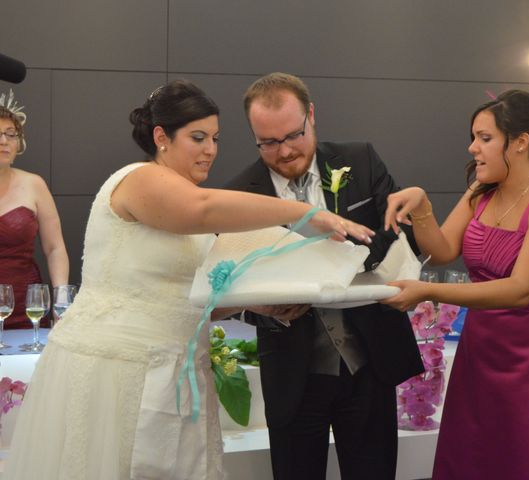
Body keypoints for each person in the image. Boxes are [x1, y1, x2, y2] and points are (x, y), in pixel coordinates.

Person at [4, 79, 373, 480]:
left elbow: (189, 297)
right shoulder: (139, 179)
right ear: (161, 136)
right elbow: (202, 208)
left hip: (177, 373)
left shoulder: (183, 201)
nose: (210, 149)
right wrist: (304, 213)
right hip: (118, 370)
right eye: (198, 137)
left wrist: (252, 303)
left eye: (215, 138)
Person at [382, 89, 529, 479]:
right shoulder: (482, 191)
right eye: (474, 137)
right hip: (482, 350)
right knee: (478, 457)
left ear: (519, 143)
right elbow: (444, 249)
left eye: (484, 138)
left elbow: (521, 290)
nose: (472, 148)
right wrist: (423, 205)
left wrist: (429, 291)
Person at [225, 72, 424, 480]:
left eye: (293, 135)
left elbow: (400, 232)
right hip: (293, 374)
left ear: (311, 115)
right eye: (269, 142)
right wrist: (267, 309)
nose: (284, 151)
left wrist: (353, 256)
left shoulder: (361, 159)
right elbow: (229, 282)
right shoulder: (238, 194)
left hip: (368, 364)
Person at [0, 90, 69, 329]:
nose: (4, 141)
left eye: (11, 134)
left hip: (28, 309)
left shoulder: (34, 184)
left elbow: (54, 247)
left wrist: (62, 300)